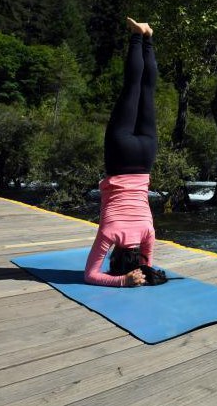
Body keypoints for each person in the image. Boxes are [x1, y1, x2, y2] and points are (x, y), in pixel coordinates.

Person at [84, 17, 157, 287]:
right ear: (114, 259)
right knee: (132, 88)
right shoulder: (109, 234)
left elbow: (148, 265)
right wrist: (123, 281)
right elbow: (90, 276)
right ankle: (137, 36)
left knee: (148, 92)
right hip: (120, 155)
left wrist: (139, 273)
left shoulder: (148, 234)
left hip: (146, 157)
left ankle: (148, 37)